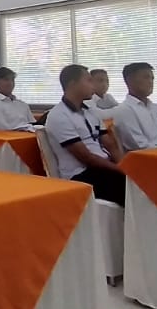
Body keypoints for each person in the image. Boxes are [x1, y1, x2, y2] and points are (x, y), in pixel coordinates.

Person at [44, 65, 126, 205]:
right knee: (131, 185)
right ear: (72, 84)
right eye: (88, 80)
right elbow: (86, 157)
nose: (93, 85)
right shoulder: (58, 115)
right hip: (81, 174)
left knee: (142, 178)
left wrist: (124, 164)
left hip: (103, 167)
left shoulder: (90, 111)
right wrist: (120, 169)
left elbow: (110, 144)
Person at [112, 62, 157, 151]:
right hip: (153, 155)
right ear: (129, 81)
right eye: (146, 77)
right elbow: (139, 146)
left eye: (152, 78)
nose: (150, 82)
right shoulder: (124, 110)